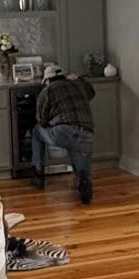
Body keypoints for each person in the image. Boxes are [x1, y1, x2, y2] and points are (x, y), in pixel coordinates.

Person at [30, 64, 95, 202]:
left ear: (47, 80)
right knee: (81, 166)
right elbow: (91, 93)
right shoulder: (78, 85)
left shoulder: (47, 91)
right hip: (86, 133)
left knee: (36, 131)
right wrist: (79, 79)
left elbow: (42, 121)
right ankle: (83, 181)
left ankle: (38, 174)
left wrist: (51, 122)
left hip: (63, 132)